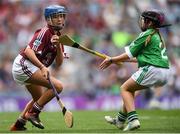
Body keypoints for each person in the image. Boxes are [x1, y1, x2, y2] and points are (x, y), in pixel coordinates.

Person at [99, 9, 171, 131]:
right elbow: (140, 57)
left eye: (143, 19)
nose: (141, 22)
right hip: (164, 72)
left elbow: (129, 54)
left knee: (124, 88)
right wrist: (115, 60)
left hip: (153, 70)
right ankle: (120, 120)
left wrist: (111, 59)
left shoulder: (146, 34)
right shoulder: (158, 36)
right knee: (131, 91)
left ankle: (133, 120)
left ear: (149, 22)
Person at [10, 5, 68, 131]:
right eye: (56, 16)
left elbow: (59, 63)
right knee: (58, 86)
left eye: (62, 16)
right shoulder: (45, 32)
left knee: (39, 98)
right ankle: (33, 113)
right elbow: (28, 51)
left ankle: (19, 124)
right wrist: (42, 67)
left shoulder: (59, 36)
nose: (60, 19)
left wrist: (58, 47)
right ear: (48, 19)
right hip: (23, 64)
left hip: (31, 67)